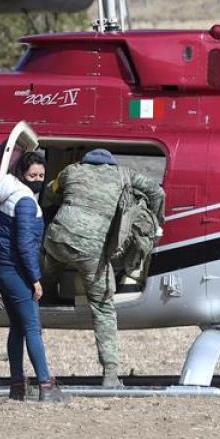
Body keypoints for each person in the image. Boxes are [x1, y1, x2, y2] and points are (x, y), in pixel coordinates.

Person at [43, 148, 164, 388]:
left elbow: (48, 193)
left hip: (56, 239)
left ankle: (45, 291)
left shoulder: (70, 171)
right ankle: (110, 373)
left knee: (51, 266)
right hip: (90, 250)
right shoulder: (123, 174)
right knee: (103, 307)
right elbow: (157, 191)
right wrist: (158, 218)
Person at [0, 152, 66, 402]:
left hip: (3, 268)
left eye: (41, 175)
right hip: (17, 271)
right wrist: (35, 279)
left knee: (18, 328)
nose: (37, 179)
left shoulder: (10, 195)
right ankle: (46, 384)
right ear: (21, 174)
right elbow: (24, 244)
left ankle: (17, 384)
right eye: (32, 175)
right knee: (33, 328)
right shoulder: (25, 201)